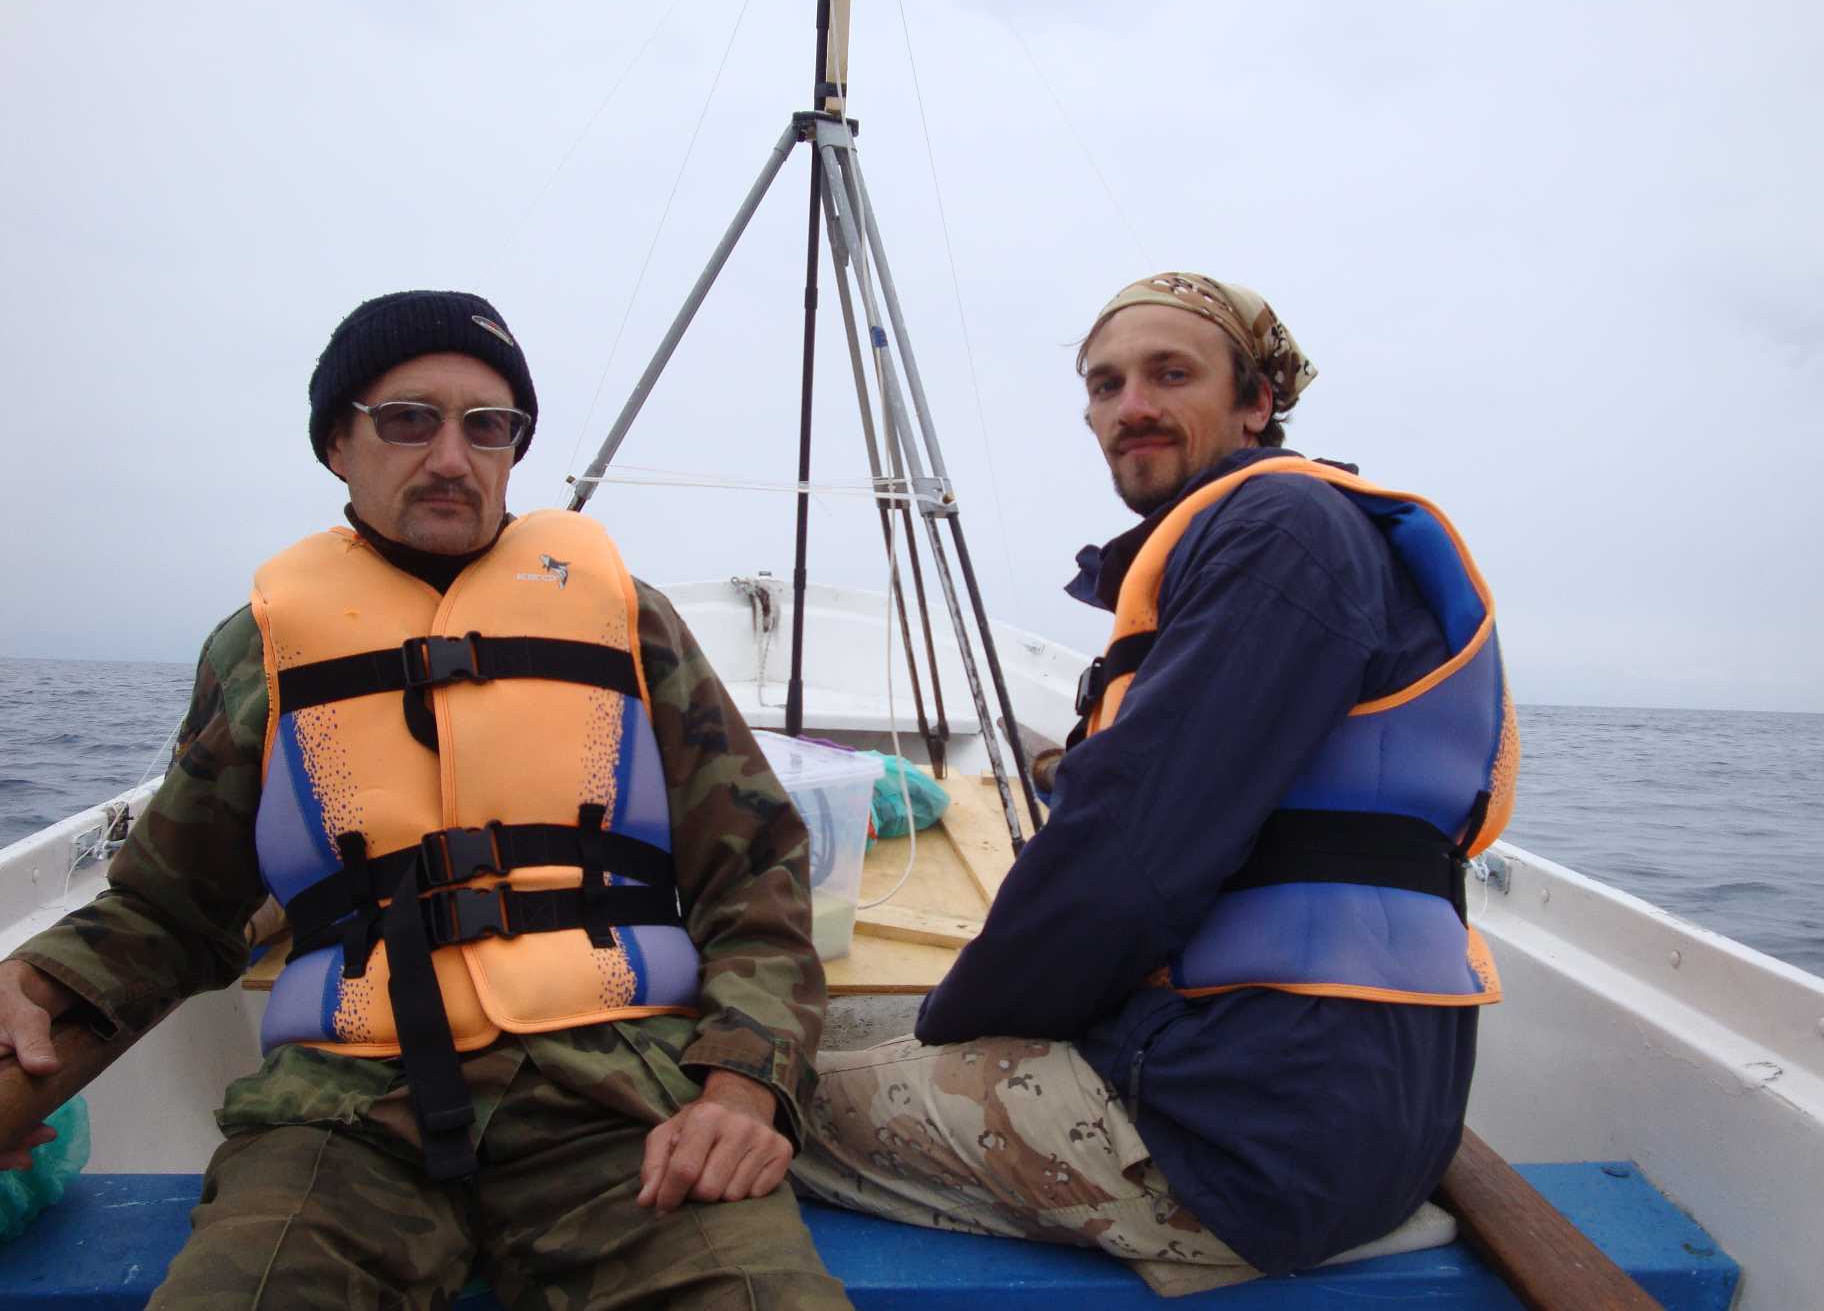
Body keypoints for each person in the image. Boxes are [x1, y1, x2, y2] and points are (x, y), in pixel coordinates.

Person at [0, 290, 852, 1309]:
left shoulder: (629, 623)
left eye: (488, 427)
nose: (453, 456)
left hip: (625, 1097)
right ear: (337, 444)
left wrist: (745, 1084)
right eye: (409, 420)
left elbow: (756, 876)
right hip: (342, 1111)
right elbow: (169, 912)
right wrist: (37, 986)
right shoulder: (259, 653)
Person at [792, 273, 1516, 1291]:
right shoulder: (1287, 536)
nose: (1129, 406)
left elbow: (1128, 859)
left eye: (1170, 375)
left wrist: (949, 1035)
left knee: (738, 1091)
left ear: (1257, 402)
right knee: (814, 1030)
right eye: (1106, 384)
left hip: (1234, 1142)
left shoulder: (1278, 535)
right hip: (1329, 1107)